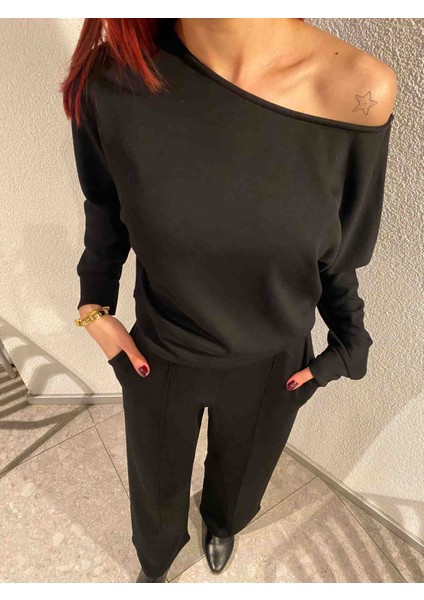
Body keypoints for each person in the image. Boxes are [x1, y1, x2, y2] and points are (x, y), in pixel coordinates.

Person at [64, 18, 396, 583]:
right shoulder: (112, 80)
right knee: (155, 490)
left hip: (274, 361)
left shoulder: (359, 90)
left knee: (242, 482)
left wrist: (348, 343)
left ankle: (223, 524)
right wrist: (93, 304)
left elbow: (337, 251)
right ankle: (156, 562)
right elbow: (106, 204)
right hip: (161, 352)